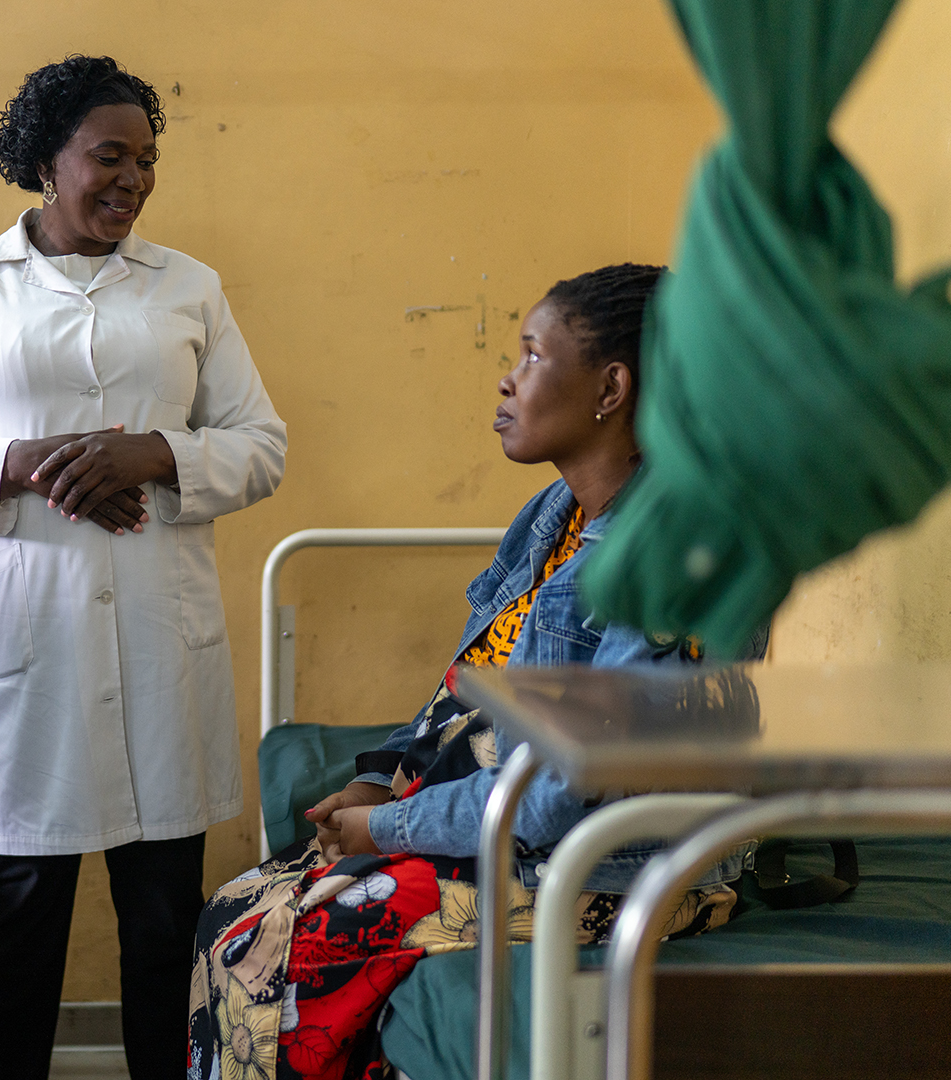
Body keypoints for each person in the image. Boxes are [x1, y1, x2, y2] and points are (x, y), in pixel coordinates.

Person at [188, 264, 765, 1080]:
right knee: (234, 907)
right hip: (517, 832)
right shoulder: (554, 515)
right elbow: (465, 689)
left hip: (619, 864)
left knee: (284, 945)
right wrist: (385, 780)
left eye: (531, 356)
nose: (507, 378)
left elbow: (569, 790)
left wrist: (386, 832)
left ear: (611, 388)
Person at [0, 55, 287, 1080]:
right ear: (45, 162)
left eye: (146, 159)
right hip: (28, 634)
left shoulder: (190, 286)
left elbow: (261, 444)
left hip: (155, 629)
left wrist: (154, 456)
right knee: (20, 908)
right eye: (109, 155)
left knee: (159, 915)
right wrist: (22, 465)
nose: (132, 178)